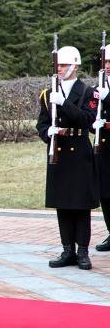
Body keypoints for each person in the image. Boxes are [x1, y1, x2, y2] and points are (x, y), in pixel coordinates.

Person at [36, 46, 98, 270]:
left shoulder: (88, 93)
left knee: (80, 205)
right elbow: (41, 124)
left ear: (75, 65)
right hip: (59, 152)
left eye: (63, 65)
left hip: (79, 151)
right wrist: (47, 133)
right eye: (57, 65)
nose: (59, 69)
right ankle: (67, 250)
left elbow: (88, 121)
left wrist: (64, 103)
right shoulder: (48, 93)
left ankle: (82, 251)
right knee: (62, 204)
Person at [94, 49, 110, 252]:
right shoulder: (98, 86)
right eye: (105, 61)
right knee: (105, 193)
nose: (107, 65)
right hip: (105, 146)